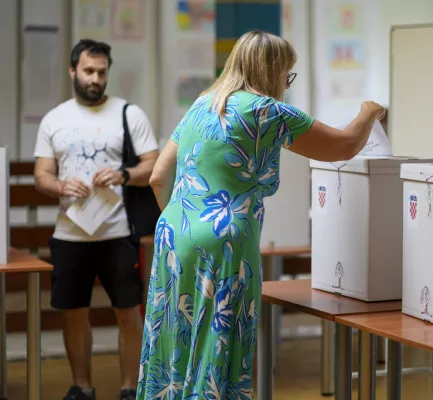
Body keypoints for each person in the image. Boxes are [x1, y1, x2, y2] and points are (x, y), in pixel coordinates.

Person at [137, 30, 385, 398]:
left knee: (174, 343)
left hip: (173, 235)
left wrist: (188, 223)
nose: (288, 83)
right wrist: (369, 111)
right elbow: (345, 145)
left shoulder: (203, 104)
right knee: (217, 347)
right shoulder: (266, 110)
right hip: (224, 242)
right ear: (274, 71)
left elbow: (159, 177)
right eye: (288, 74)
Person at [33, 39, 159, 400]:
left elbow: (153, 164)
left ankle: (129, 389)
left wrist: (123, 174)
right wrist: (60, 184)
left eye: (102, 72)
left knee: (127, 314)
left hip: (119, 231)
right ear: (73, 71)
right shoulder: (55, 119)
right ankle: (82, 387)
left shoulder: (128, 114)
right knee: (73, 313)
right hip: (70, 234)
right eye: (89, 71)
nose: (96, 79)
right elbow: (42, 174)